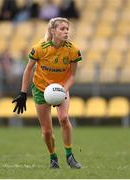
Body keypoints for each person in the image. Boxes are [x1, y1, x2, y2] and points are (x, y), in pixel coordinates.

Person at [12, 17, 82, 169]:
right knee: (47, 131)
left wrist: (64, 90)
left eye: (67, 29)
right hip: (40, 89)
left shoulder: (73, 50)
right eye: (62, 29)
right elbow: (28, 69)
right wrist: (23, 93)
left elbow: (73, 75)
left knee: (63, 118)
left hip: (61, 88)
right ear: (53, 31)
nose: (66, 32)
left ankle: (70, 156)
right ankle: (53, 157)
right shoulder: (40, 48)